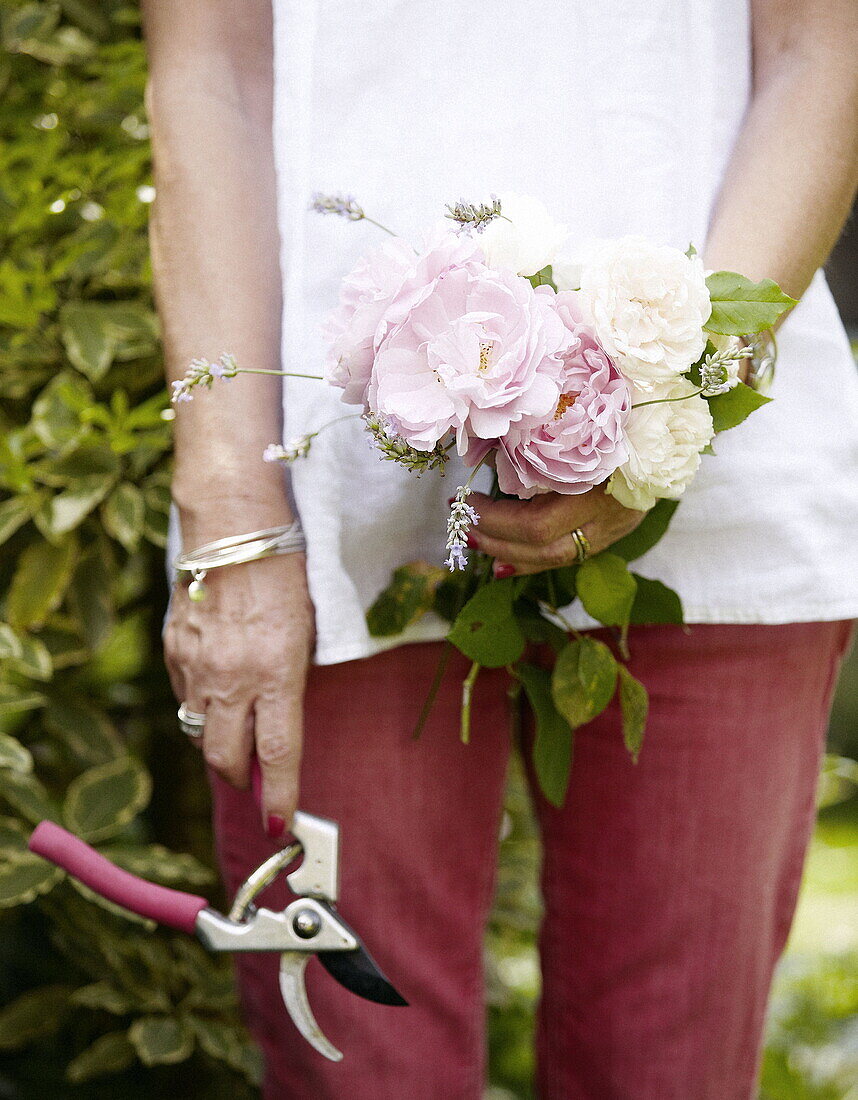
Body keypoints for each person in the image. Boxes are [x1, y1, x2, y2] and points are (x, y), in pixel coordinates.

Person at [142, 0, 858, 1096]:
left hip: (719, 497)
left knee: (667, 1073)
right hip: (315, 502)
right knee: (355, 1070)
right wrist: (235, 515)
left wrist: (670, 403)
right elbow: (206, 65)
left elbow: (823, 51)